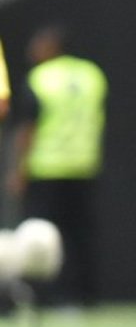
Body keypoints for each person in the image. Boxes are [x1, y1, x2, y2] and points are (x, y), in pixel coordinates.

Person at [8, 25, 106, 308]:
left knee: (39, 237)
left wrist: (18, 168)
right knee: (80, 235)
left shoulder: (41, 78)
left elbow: (28, 129)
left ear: (52, 47)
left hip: (46, 168)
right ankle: (83, 297)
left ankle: (39, 297)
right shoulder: (91, 75)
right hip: (84, 166)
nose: (32, 50)